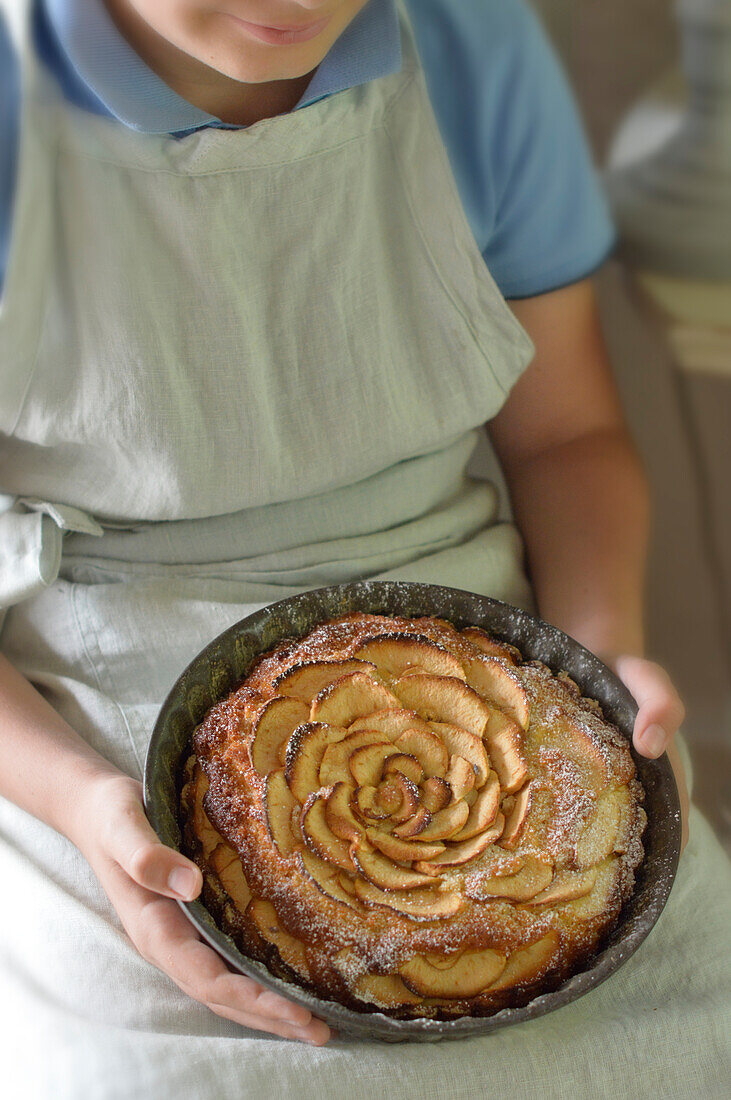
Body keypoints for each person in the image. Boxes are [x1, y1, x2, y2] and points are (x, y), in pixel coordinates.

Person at [0, 1, 728, 1097]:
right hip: (85, 699)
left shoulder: (470, 45)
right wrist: (75, 799)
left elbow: (568, 435)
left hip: (478, 636)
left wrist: (595, 657)